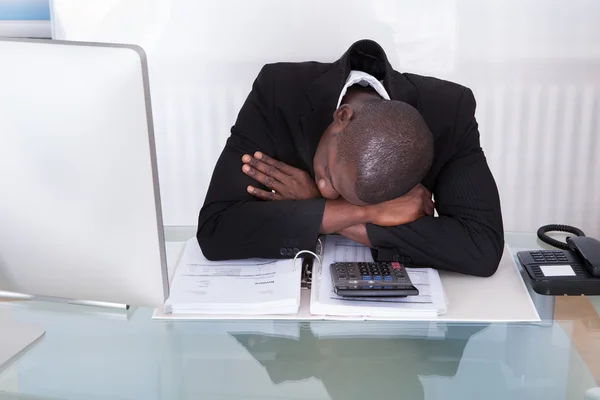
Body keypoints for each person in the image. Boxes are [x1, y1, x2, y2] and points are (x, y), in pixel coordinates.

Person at [197, 39, 504, 277]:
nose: (326, 190)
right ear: (342, 116)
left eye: (357, 200)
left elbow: (481, 247)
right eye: (328, 175)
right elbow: (216, 229)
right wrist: (367, 212)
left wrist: (316, 206)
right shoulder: (278, 90)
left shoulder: (449, 111)